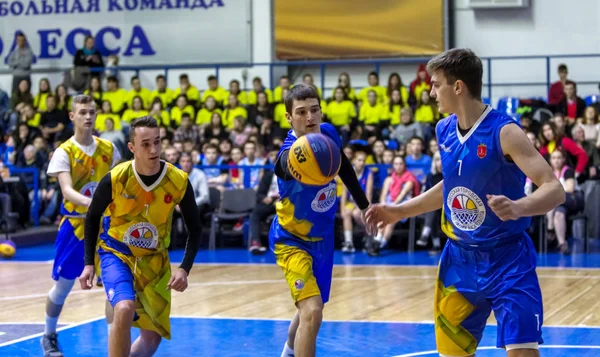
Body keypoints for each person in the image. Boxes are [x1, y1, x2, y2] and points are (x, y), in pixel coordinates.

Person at [366, 48, 565, 357]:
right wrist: (399, 211)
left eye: (435, 84)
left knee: (522, 353)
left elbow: (554, 189)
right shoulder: (443, 129)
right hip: (458, 263)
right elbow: (451, 186)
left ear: (457, 86)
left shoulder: (505, 131)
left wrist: (519, 206)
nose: (430, 92)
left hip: (507, 259)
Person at [79, 116, 201, 357]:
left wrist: (184, 269)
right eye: (145, 144)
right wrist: (88, 264)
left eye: (157, 142)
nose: (154, 149)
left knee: (152, 337)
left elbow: (195, 228)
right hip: (117, 254)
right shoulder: (117, 177)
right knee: (124, 308)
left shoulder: (178, 180)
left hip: (155, 262)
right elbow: (92, 217)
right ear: (132, 147)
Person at [270, 84, 376, 357]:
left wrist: (364, 205)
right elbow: (282, 163)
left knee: (310, 310)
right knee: (313, 311)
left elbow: (344, 166)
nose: (310, 118)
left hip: (323, 238)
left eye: (314, 110)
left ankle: (287, 353)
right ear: (288, 118)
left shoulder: (328, 133)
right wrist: (288, 162)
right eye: (301, 112)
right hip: (291, 240)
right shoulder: (291, 152)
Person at [41, 95, 122, 357]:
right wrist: (96, 203)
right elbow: (67, 191)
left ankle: (115, 345)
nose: (88, 117)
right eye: (83, 112)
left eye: (92, 112)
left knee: (113, 288)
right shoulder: (65, 152)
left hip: (106, 228)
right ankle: (49, 335)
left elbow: (120, 186)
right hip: (75, 228)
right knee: (63, 287)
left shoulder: (110, 150)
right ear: (72, 116)